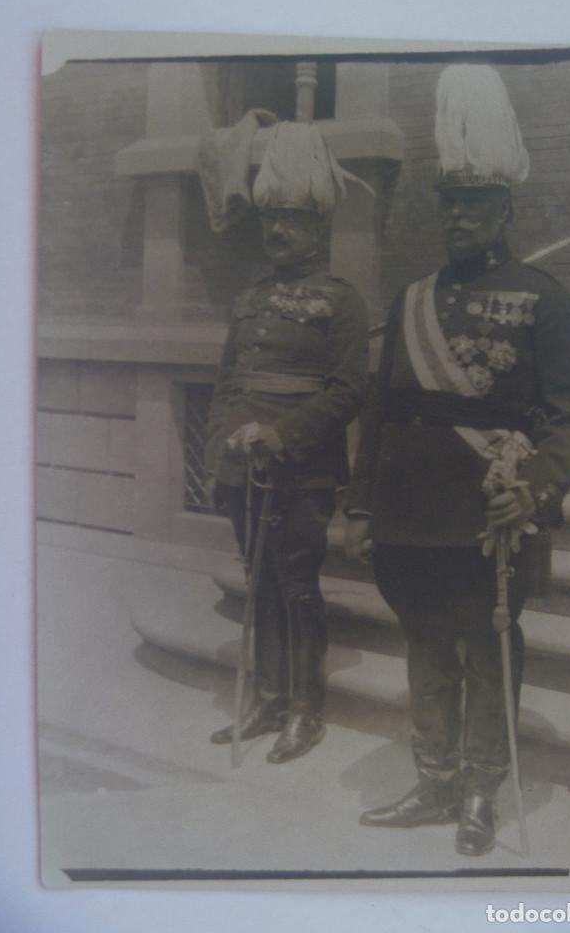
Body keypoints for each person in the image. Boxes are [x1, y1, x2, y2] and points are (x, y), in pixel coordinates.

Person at [345, 65, 570, 854]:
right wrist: (359, 504)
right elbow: (381, 413)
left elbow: (567, 416)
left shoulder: (542, 298)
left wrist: (535, 493)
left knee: (487, 649)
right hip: (412, 510)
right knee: (424, 645)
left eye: (474, 204)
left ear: (504, 209)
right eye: (449, 204)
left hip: (491, 514)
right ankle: (433, 779)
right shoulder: (411, 298)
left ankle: (482, 789)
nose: (457, 217)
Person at [204, 122, 369, 763]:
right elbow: (225, 383)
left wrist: (283, 435)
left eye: (291, 221)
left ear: (317, 227)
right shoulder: (249, 299)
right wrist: (224, 445)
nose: (277, 233)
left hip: (303, 469)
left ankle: (307, 710)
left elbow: (349, 390)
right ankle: (269, 697)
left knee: (297, 583)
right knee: (259, 581)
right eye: (270, 220)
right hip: (244, 467)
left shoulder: (341, 302)